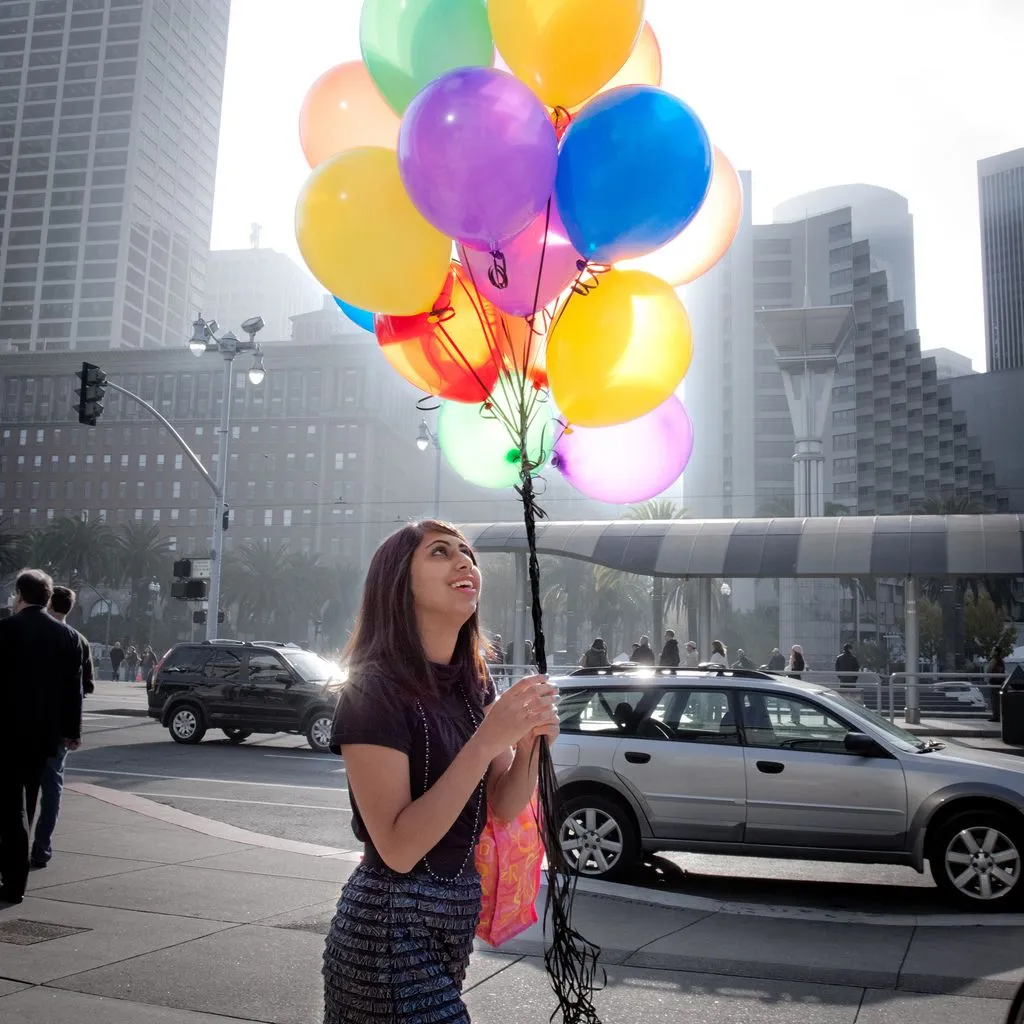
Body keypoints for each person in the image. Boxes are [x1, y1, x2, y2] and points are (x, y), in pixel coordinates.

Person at [323, 521, 558, 1023]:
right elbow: (399, 848)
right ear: (399, 583)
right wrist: (488, 739)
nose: (464, 562)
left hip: (451, 929)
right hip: (387, 932)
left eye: (467, 553)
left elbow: (502, 804)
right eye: (439, 552)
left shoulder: (473, 682)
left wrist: (531, 745)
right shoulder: (373, 688)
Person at [0, 569, 83, 904]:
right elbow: (72, 691)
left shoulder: (6, 630)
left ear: (20, 594)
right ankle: (15, 875)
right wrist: (71, 731)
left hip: (6, 733)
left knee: (10, 810)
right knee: (27, 803)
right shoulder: (68, 637)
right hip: (43, 737)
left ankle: (12, 879)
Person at [31, 586, 94, 870]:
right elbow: (84, 687)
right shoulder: (78, 640)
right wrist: (74, 730)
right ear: (70, 608)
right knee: (52, 787)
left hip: (26, 722)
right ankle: (41, 847)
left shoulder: (29, 631)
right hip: (58, 728)